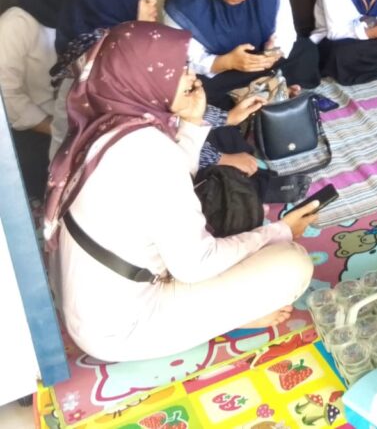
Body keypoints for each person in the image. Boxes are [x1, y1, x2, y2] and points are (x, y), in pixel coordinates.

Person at [45, 21, 318, 362]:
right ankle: (235, 317)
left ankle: (223, 309)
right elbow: (196, 265)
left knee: (225, 207)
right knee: (292, 263)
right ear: (141, 78)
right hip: (123, 328)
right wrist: (279, 231)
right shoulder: (149, 150)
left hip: (96, 306)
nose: (193, 77)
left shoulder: (107, 124)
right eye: (177, 70)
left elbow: (172, 183)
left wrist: (192, 121)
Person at [48, 0, 264, 175]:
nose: (153, 1)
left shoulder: (111, 46)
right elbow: (158, 134)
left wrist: (228, 117)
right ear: (112, 1)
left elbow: (173, 108)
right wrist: (224, 158)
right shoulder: (108, 68)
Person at [164, 0, 319, 109]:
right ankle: (271, 89)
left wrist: (273, 51)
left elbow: (285, 30)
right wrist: (227, 62)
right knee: (196, 88)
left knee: (306, 50)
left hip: (261, 60)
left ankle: (264, 91)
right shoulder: (184, 4)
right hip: (222, 70)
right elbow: (188, 60)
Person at [0, 0, 89, 198]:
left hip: (77, 133)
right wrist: (57, 129)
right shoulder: (16, 23)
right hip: (37, 139)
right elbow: (6, 96)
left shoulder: (81, 13)